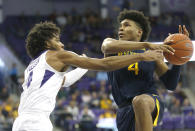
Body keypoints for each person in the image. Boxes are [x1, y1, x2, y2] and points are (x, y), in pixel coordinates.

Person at [12, 21, 170, 131]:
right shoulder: (56, 55)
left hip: (21, 122)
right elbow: (105, 65)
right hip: (36, 123)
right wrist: (141, 56)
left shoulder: (32, 66)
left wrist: (83, 65)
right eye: (57, 40)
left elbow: (64, 81)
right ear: (47, 44)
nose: (62, 45)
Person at [101, 10, 189, 131]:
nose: (121, 29)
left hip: (149, 101)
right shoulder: (113, 47)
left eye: (126, 25)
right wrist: (146, 44)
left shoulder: (151, 54)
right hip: (124, 110)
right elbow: (106, 47)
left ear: (139, 32)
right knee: (138, 103)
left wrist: (179, 58)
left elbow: (170, 84)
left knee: (140, 101)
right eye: (120, 26)